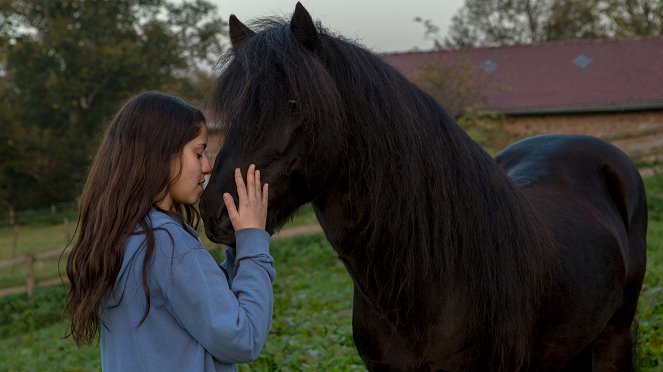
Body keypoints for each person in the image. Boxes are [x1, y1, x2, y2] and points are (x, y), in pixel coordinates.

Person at [64, 91, 274, 372]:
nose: (207, 166)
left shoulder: (119, 238)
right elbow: (242, 338)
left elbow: (203, 306)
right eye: (199, 153)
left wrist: (237, 250)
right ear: (162, 154)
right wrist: (253, 242)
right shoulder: (168, 244)